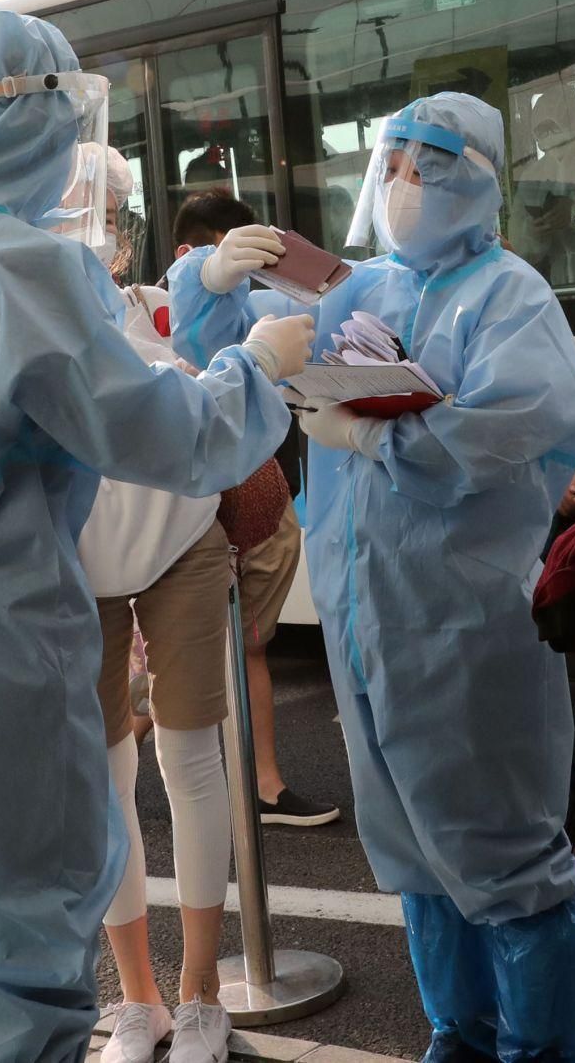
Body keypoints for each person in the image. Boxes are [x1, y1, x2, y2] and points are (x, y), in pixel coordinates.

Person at [0, 9, 313, 1063]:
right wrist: (258, 364)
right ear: (46, 118)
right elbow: (171, 434)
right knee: (13, 929)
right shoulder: (26, 267)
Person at [170, 93, 575, 1063]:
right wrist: (211, 277)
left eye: (429, 166)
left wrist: (377, 434)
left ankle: (540, 1049)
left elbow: (524, 421)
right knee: (414, 852)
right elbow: (221, 356)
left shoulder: (509, 294)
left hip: (466, 625)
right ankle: (460, 1033)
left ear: (480, 180)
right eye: (394, 164)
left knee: (502, 853)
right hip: (366, 627)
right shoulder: (358, 288)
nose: (405, 184)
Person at [83, 167, 246, 1063]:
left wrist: (214, 285)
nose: (103, 230)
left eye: (113, 214)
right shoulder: (28, 313)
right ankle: (136, 998)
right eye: (87, 211)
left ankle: (200, 993)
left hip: (184, 537)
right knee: (105, 770)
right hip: (81, 560)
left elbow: (228, 349)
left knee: (189, 754)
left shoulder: (159, 305)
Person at [171, 191, 340, 828]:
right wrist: (206, 278)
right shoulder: (152, 313)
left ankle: (264, 785)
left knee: (247, 647)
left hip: (259, 504)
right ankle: (112, 774)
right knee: (172, 665)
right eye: (236, 257)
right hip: (193, 515)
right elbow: (194, 352)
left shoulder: (259, 307)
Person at [509, 83, 575, 288]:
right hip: (558, 289)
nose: (548, 136)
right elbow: (516, 249)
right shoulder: (532, 176)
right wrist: (533, 233)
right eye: (541, 131)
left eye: (553, 127)